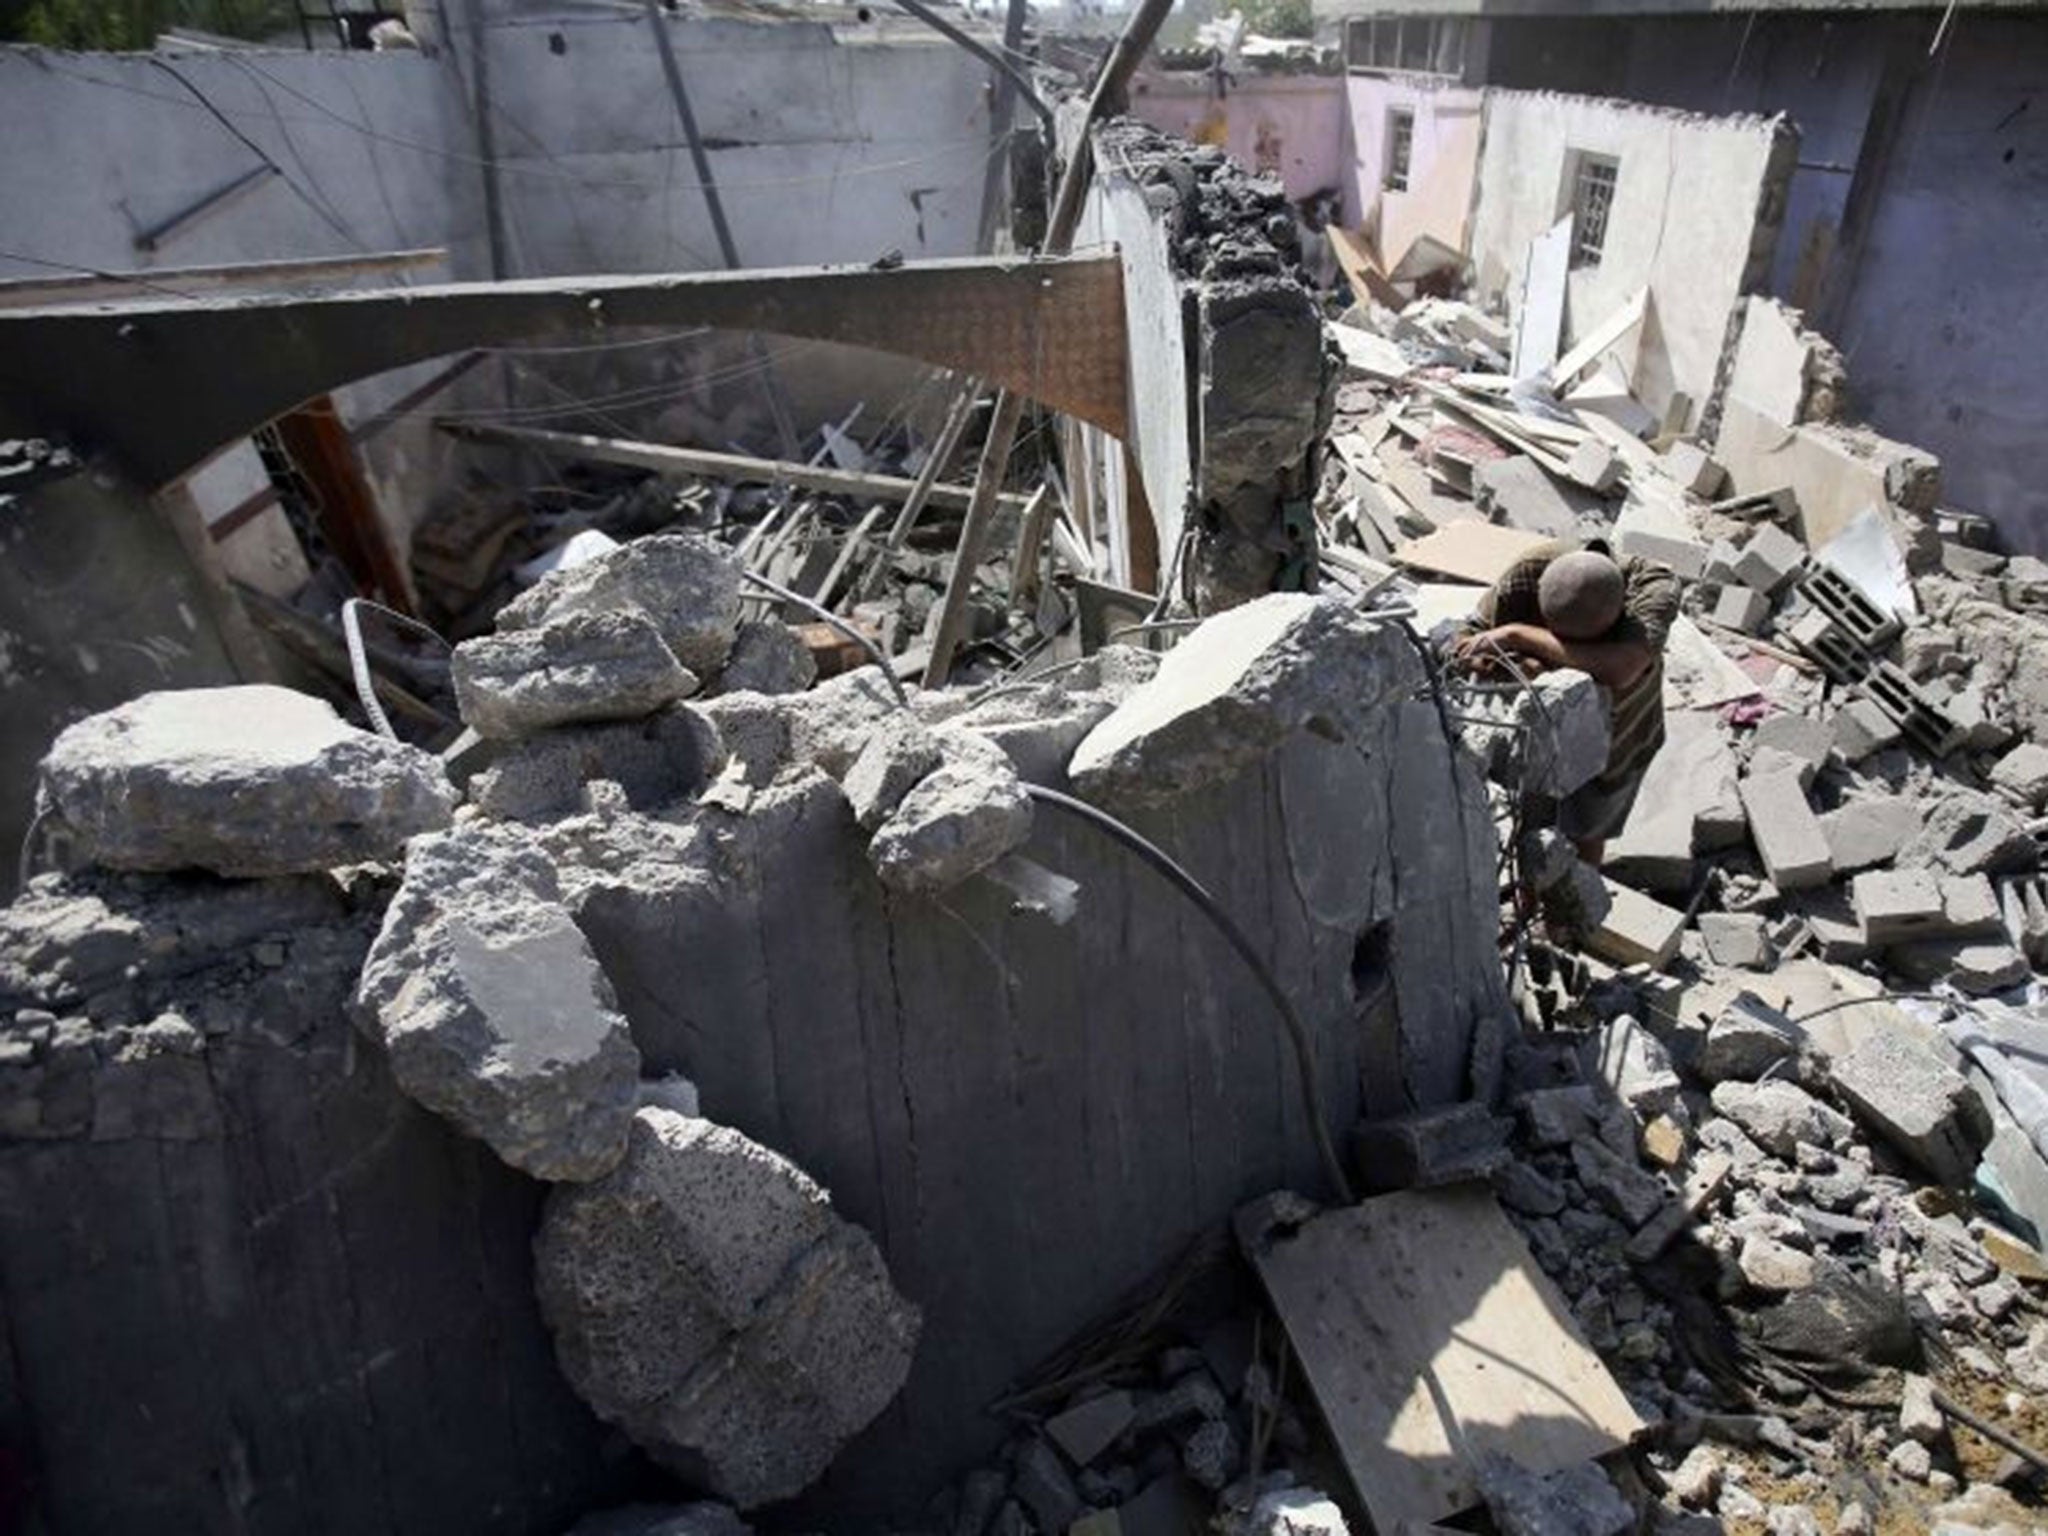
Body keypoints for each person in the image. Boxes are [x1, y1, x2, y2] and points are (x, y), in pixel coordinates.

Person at [1454, 542, 1680, 865]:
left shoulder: (1653, 586)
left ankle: (1574, 907)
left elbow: (1620, 668)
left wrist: (1519, 636)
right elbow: (1463, 644)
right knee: (1533, 828)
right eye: (1558, 638)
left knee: (1590, 827)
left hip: (1621, 733)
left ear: (1620, 614)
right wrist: (1504, 664)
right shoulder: (1525, 575)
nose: (1566, 652)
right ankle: (1531, 899)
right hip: (1543, 731)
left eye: (1583, 646)